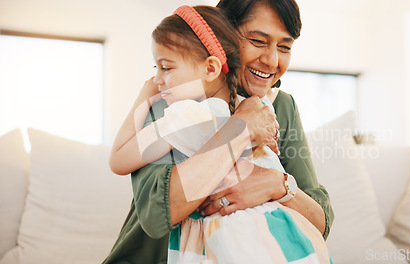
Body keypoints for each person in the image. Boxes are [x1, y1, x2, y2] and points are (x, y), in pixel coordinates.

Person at [103, 1, 333, 263]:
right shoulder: (173, 97)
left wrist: (276, 185)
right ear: (224, 35)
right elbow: (157, 214)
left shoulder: (280, 104)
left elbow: (318, 223)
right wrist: (241, 129)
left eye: (284, 47)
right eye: (258, 41)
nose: (272, 60)